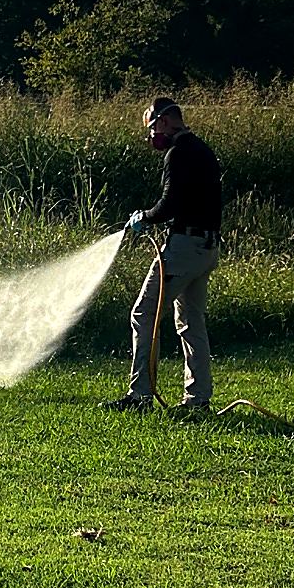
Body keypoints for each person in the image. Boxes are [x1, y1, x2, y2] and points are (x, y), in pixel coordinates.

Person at [102, 97, 222, 418]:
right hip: (207, 247)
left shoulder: (177, 154)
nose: (153, 134)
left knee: (143, 313)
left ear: (166, 121)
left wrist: (145, 216)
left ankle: (139, 395)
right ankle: (198, 402)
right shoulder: (203, 150)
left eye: (154, 127)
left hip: (184, 249)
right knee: (191, 323)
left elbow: (169, 204)